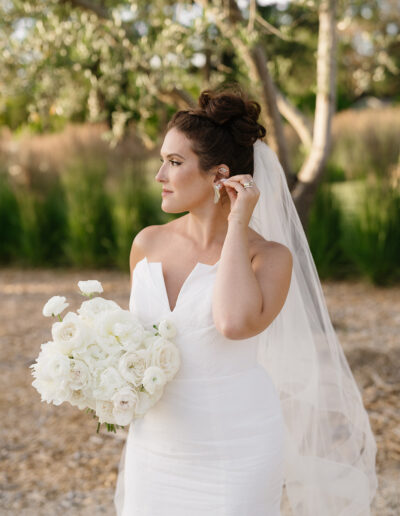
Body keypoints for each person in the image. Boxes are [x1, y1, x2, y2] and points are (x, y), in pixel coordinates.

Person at [114, 85, 377, 515]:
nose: (159, 175)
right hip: (156, 445)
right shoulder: (147, 244)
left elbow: (233, 323)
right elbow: (133, 345)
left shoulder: (269, 258)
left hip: (234, 449)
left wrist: (238, 223)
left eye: (174, 162)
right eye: (162, 160)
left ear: (219, 176)